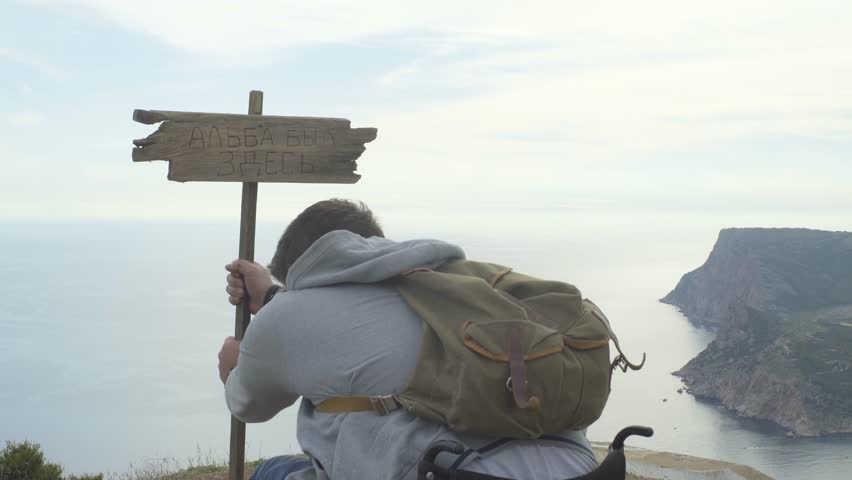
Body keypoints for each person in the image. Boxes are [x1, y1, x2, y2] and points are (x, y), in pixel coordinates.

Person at [219, 199, 600, 480]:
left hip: (459, 473)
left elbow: (247, 403)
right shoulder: (446, 287)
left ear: (303, 269)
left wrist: (235, 365)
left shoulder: (288, 316)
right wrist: (273, 296)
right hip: (581, 467)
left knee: (272, 472)